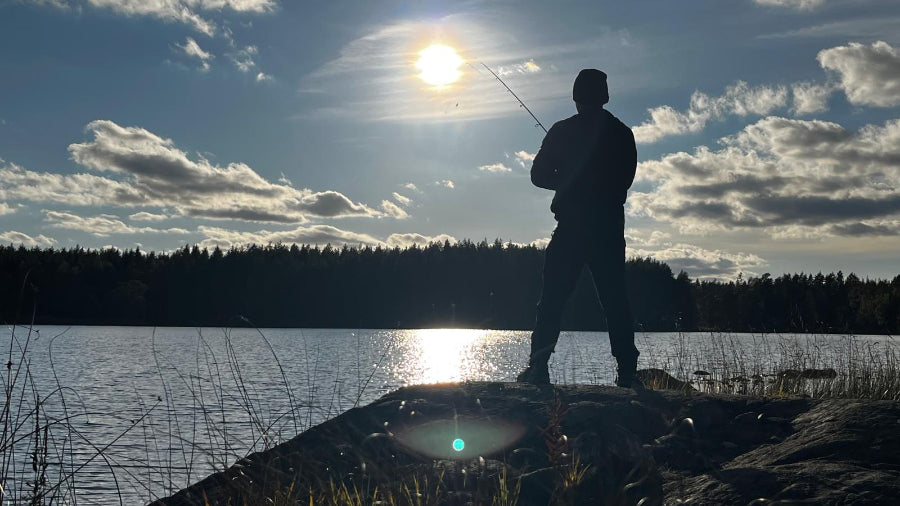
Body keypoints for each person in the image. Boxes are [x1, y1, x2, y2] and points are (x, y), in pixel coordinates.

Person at [517, 69, 640, 388]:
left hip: (571, 227)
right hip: (609, 229)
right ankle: (628, 372)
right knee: (615, 301)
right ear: (605, 96)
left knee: (552, 299)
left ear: (575, 97)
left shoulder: (562, 130)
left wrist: (568, 178)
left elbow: (538, 176)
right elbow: (625, 181)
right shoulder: (622, 133)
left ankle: (538, 367)